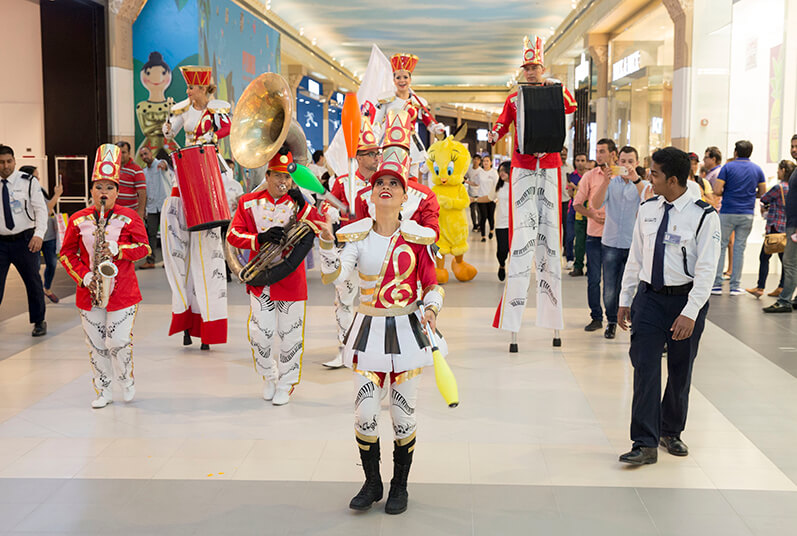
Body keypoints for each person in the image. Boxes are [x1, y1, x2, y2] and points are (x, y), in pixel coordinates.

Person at [317, 113, 445, 514]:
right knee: (366, 413)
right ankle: (372, 483)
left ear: (406, 196)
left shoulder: (418, 238)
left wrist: (432, 310)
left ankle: (400, 486)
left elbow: (431, 283)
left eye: (394, 184)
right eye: (380, 184)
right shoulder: (355, 236)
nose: (386, 188)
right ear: (370, 195)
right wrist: (325, 244)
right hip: (368, 332)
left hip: (408, 331)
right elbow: (335, 275)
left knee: (404, 418)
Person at [617, 147, 720, 465]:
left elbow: (707, 269)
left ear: (673, 179)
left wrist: (690, 312)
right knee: (645, 367)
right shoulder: (648, 208)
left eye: (655, 173)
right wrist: (625, 298)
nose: (649, 176)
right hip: (649, 299)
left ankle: (670, 431)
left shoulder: (703, 215)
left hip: (685, 301)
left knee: (679, 369)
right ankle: (644, 442)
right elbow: (636, 255)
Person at [487, 35, 577, 337]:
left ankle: (553, 318)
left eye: (535, 67)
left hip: (550, 165)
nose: (531, 72)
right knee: (521, 237)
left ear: (542, 67)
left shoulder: (554, 92)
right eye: (527, 68)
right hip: (523, 166)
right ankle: (512, 317)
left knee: (551, 237)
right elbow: (502, 123)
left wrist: (554, 85)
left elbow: (571, 105)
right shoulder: (515, 99)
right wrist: (494, 135)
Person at [59, 144, 151, 408]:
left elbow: (144, 248)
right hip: (89, 293)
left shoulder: (129, 216)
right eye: (99, 186)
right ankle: (104, 390)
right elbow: (66, 253)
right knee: (97, 344)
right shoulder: (78, 219)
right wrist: (84, 276)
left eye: (110, 187)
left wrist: (119, 249)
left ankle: (126, 379)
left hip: (123, 292)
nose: (104, 192)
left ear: (118, 191)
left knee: (119, 340)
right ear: (91, 190)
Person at [227, 148, 318, 405]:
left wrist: (304, 205)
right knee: (261, 334)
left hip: (292, 282)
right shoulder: (247, 202)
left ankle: (287, 384)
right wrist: (260, 239)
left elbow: (319, 226)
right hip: (260, 279)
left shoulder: (300, 203)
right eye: (278, 176)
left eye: (287, 177)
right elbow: (233, 236)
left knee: (290, 337)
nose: (283, 182)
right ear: (267, 176)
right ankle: (268, 374)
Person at [161, 65, 232, 349]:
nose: (188, 92)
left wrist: (214, 126)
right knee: (184, 257)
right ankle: (187, 321)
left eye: (192, 88)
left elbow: (226, 129)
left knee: (208, 256)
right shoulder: (183, 110)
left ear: (203, 89)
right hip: (186, 171)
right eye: (187, 88)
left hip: (208, 171)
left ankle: (207, 324)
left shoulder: (215, 111)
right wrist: (168, 124)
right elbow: (169, 133)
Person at [320, 118, 381, 369]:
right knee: (344, 298)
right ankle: (344, 349)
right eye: (371, 154)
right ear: (358, 156)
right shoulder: (344, 180)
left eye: (378, 153)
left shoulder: (383, 180)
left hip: (377, 247)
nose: (377, 157)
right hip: (349, 247)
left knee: (376, 300)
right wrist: (332, 213)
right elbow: (328, 203)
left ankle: (374, 348)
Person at [591, 146, 645, 339]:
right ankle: (611, 321)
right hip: (611, 242)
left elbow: (650, 200)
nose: (626, 165)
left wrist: (636, 179)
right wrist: (605, 181)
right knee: (610, 288)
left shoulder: (642, 184)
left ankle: (631, 321)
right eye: (623, 161)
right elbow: (595, 205)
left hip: (633, 244)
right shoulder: (611, 183)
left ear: (637, 163)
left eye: (631, 161)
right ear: (617, 162)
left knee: (630, 286)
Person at [0, 145, 48, 336]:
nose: (5, 166)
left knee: (33, 282)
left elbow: (40, 210)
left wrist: (39, 234)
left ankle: (39, 321)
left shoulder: (28, 182)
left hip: (25, 240)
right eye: (1, 162)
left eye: (9, 161)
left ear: (14, 161)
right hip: (0, 243)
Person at [373, 53, 446, 176]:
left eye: (405, 77)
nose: (402, 81)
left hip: (411, 143)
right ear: (394, 80)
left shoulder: (417, 102)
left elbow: (429, 123)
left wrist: (437, 128)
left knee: (412, 177)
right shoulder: (386, 100)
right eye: (398, 77)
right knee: (390, 175)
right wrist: (373, 141)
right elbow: (377, 123)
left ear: (410, 79)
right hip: (390, 142)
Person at [711, 140, 766, 296]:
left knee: (721, 246)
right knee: (739, 248)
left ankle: (716, 284)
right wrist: (749, 195)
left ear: (736, 152)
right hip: (747, 213)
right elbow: (762, 192)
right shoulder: (757, 169)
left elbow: (717, 189)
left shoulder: (728, 167)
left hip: (728, 211)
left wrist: (728, 192)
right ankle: (735, 286)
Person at [573, 138, 615, 332]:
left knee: (613, 280)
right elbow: (577, 203)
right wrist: (592, 215)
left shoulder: (622, 175)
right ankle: (596, 317)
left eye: (602, 151)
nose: (598, 155)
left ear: (613, 154)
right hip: (594, 235)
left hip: (616, 237)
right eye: (597, 151)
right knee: (594, 279)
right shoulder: (590, 176)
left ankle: (613, 320)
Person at [747, 160, 794, 298]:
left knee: (764, 257)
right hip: (786, 227)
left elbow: (764, 198)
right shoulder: (792, 187)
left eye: (779, 169)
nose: (777, 172)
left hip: (774, 227)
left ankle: (760, 287)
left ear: (784, 170)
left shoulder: (778, 188)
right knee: (784, 259)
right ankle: (781, 286)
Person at [763, 135, 797, 313]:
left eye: (796, 146)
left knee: (790, 263)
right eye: (792, 146)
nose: (794, 150)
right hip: (791, 222)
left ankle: (784, 301)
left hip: (794, 225)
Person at [20, 165, 62, 303]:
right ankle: (38, 292)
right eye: (35, 176)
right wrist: (57, 194)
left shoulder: (40, 190)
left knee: (52, 264)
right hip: (35, 236)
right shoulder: (23, 193)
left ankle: (46, 288)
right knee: (35, 267)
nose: (38, 178)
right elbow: (47, 210)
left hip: (48, 235)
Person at [475, 161, 510, 280]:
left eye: (504, 170)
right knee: (502, 250)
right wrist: (474, 200)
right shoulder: (498, 186)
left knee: (515, 251)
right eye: (500, 171)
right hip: (501, 223)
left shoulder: (517, 185)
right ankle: (502, 264)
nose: (502, 173)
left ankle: (516, 274)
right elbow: (489, 198)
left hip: (516, 224)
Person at [138, 147, 170, 269]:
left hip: (164, 205)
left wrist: (164, 164)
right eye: (142, 155)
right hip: (151, 207)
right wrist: (144, 209)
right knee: (151, 233)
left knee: (166, 233)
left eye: (146, 153)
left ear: (151, 153)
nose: (144, 156)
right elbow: (144, 193)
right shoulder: (144, 172)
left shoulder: (160, 164)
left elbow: (165, 165)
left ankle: (168, 261)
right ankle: (150, 260)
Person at [567, 152, 588, 276]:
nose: (580, 163)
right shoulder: (572, 176)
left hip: (590, 211)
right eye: (578, 160)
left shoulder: (591, 176)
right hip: (576, 212)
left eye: (582, 160)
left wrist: (577, 188)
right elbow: (570, 194)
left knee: (589, 242)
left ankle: (589, 266)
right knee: (575, 240)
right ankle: (575, 263)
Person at [115, 141, 147, 223]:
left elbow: (142, 193)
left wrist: (140, 213)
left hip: (130, 213)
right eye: (118, 152)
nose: (120, 155)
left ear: (129, 153)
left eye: (123, 152)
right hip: (113, 213)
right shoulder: (111, 168)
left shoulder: (136, 169)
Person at [475, 155, 497, 242]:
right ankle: (483, 236)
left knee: (490, 216)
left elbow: (497, 185)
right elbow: (476, 183)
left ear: (491, 163)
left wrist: (497, 197)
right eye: (484, 161)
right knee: (483, 217)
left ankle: (491, 230)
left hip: (491, 198)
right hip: (481, 198)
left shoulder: (494, 173)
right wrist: (466, 181)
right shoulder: (480, 173)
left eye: (487, 161)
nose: (486, 162)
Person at [560, 147, 574, 265]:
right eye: (561, 154)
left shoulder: (570, 168)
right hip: (555, 199)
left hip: (566, 200)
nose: (563, 156)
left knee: (566, 225)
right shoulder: (554, 167)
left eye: (565, 154)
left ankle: (565, 247)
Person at [464, 154, 481, 231]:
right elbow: (465, 177)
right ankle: (475, 225)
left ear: (479, 161)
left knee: (479, 210)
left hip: (480, 193)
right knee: (472, 210)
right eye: (474, 159)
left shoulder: (481, 171)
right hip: (471, 193)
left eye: (477, 159)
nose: (476, 161)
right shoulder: (469, 169)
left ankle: (480, 225)